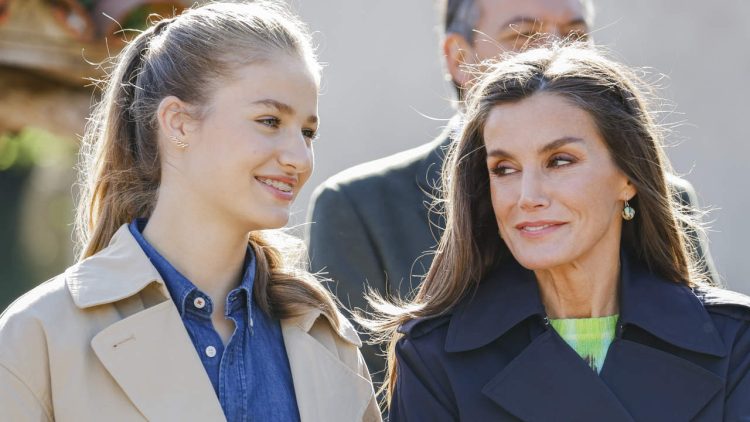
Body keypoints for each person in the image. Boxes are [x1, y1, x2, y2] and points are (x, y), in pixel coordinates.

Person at [0, 2, 380, 421]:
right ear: (178, 123)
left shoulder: (327, 338)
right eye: (270, 121)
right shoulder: (39, 334)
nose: (299, 157)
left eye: (308, 132)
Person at [306, 0, 718, 383]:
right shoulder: (358, 207)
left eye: (576, 38)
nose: (556, 52)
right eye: (524, 36)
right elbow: (362, 396)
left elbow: (706, 349)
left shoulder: (662, 196)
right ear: (459, 57)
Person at [366, 44, 750, 421]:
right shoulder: (434, 356)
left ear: (628, 176)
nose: (527, 196)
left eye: (560, 161)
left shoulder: (734, 341)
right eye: (504, 168)